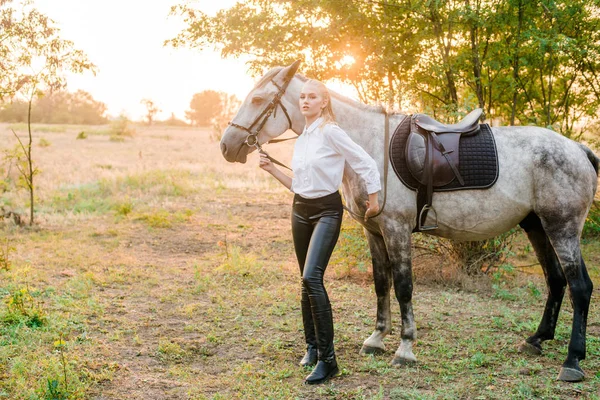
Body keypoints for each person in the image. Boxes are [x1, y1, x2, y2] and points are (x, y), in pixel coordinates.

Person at [259, 79, 381, 385]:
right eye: (302, 97)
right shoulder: (303, 137)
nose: (305, 101)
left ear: (324, 102)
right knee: (304, 281)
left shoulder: (331, 131)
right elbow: (299, 186)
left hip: (327, 210)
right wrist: (272, 170)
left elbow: (364, 162)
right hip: (300, 210)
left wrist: (374, 199)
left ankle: (329, 361)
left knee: (313, 277)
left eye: (312, 97)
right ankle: (312, 348)